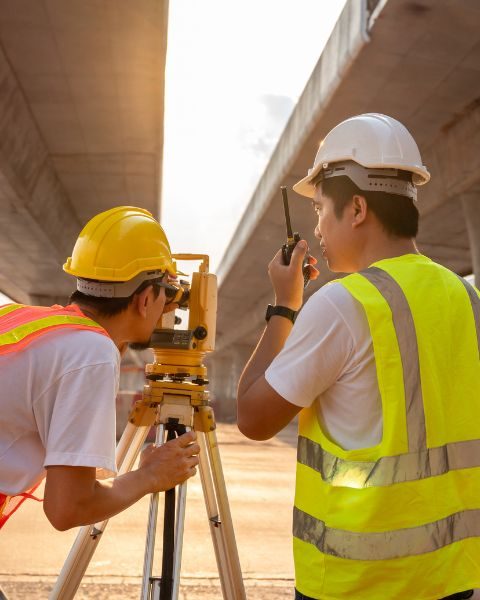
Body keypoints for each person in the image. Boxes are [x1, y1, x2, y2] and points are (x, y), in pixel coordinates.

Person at [237, 113, 480, 599]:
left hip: (357, 584)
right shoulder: (467, 297)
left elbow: (253, 418)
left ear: (357, 209)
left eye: (322, 210)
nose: (318, 228)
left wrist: (285, 305)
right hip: (453, 578)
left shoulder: (344, 304)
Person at [0, 206, 199, 531]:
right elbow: (68, 508)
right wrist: (150, 475)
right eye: (167, 294)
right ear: (146, 299)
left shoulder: (23, 319)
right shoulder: (91, 352)